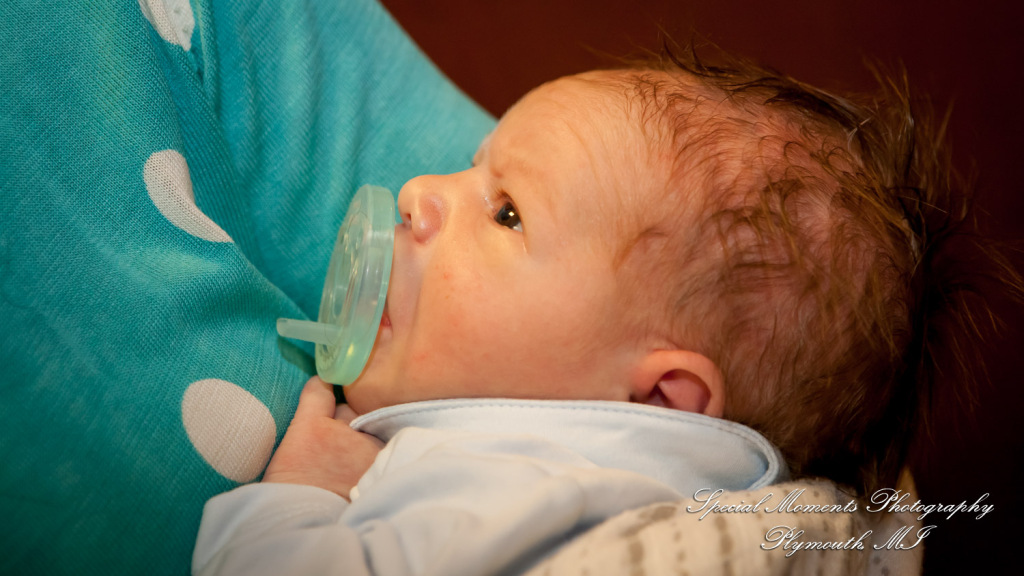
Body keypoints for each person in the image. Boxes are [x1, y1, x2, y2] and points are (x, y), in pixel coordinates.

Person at [192, 51, 1012, 575]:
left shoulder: (518, 496)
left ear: (659, 398)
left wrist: (298, 498)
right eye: (472, 172)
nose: (416, 195)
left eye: (506, 212)